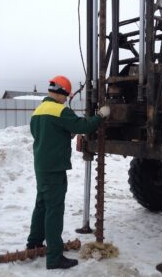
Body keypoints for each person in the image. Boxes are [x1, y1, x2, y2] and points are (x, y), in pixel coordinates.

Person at [26, 75, 110, 270]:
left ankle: (34, 244)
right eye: (66, 96)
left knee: (42, 205)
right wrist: (101, 116)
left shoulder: (38, 110)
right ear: (62, 92)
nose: (66, 99)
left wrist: (63, 133)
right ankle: (54, 257)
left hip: (41, 165)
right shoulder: (60, 110)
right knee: (54, 210)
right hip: (55, 167)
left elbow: (41, 134)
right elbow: (83, 126)